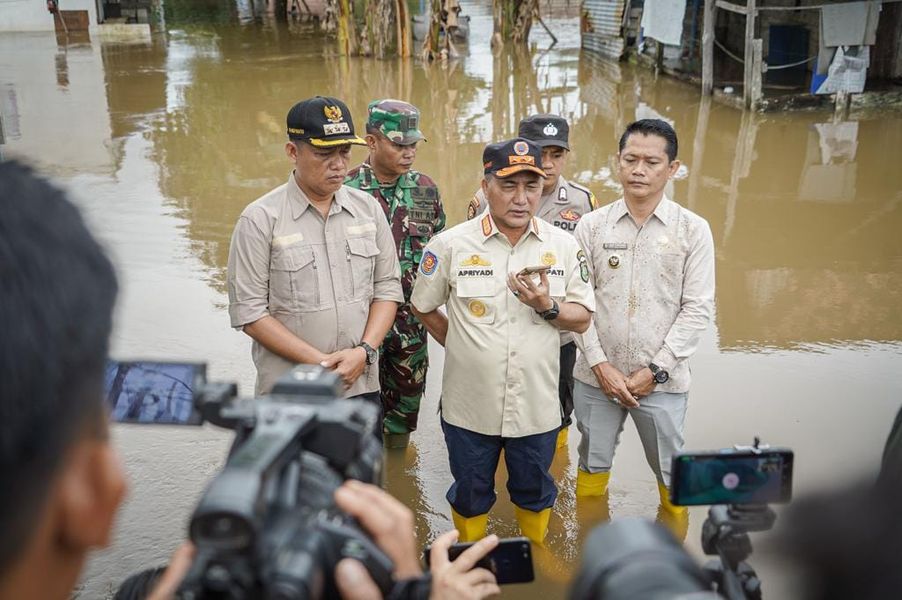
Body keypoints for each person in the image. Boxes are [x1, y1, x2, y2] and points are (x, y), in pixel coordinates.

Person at [411, 138, 595, 544]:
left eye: (531, 186)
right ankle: (472, 556)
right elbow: (422, 305)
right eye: (509, 185)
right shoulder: (450, 245)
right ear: (486, 185)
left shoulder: (563, 246)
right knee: (471, 492)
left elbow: (581, 319)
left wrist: (548, 307)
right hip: (469, 407)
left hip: (536, 406)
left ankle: (537, 555)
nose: (521, 198)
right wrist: (461, 345)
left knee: (534, 491)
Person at [571, 119, 715, 535]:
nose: (639, 169)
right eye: (630, 159)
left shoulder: (693, 229)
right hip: (595, 376)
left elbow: (698, 309)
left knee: (671, 472)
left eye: (652, 161)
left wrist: (656, 370)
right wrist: (599, 365)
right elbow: (579, 303)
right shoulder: (592, 226)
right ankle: (590, 545)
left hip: (663, 382)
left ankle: (671, 553)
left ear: (672, 169)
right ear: (617, 162)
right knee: (592, 462)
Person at [226, 96, 404, 433]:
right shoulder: (260, 219)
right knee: (293, 485)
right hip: (291, 392)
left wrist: (364, 352)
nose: (339, 164)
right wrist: (322, 363)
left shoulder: (368, 210)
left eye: (344, 152)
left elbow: (387, 288)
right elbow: (249, 312)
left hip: (359, 387)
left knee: (359, 484)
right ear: (293, 152)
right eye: (324, 153)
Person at [467, 114, 597, 451]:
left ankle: (553, 467)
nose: (550, 163)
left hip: (559, 333)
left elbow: (588, 275)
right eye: (542, 153)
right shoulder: (485, 200)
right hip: (499, 327)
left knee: (558, 409)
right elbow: (470, 259)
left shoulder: (583, 202)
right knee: (495, 408)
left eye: (558, 154)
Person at [345, 99, 446, 449]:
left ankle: (399, 477)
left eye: (414, 144)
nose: (409, 152)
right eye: (399, 144)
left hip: (411, 326)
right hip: (359, 323)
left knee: (404, 412)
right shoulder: (345, 189)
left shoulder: (426, 189)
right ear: (372, 142)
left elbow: (440, 254)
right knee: (354, 414)